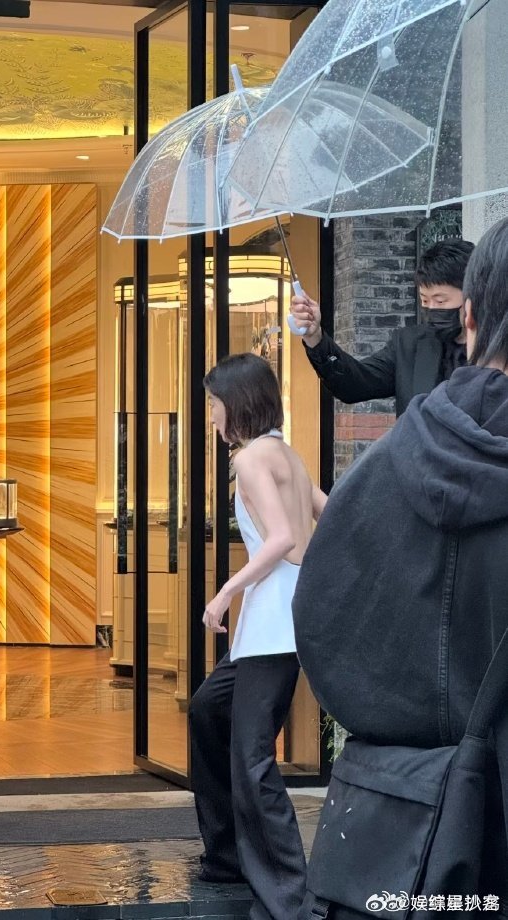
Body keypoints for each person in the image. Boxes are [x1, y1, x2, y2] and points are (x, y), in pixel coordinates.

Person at [292, 217, 508, 909]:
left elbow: (327, 614)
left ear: (470, 314)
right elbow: (355, 380)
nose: (435, 312)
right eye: (426, 301)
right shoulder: (409, 349)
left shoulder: (377, 478)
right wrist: (317, 340)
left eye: (444, 302)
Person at [188, 353, 327, 920]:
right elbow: (330, 512)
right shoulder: (284, 452)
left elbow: (281, 538)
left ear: (236, 405)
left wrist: (224, 592)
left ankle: (292, 897)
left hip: (271, 626)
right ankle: (226, 857)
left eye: (214, 404)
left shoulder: (249, 459)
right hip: (276, 624)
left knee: (252, 760)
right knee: (206, 711)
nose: (211, 416)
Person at [290, 238, 475, 416]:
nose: (431, 308)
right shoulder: (408, 346)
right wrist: (315, 336)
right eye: (425, 300)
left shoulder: (491, 350)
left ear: (472, 295)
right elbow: (354, 384)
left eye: (440, 301)